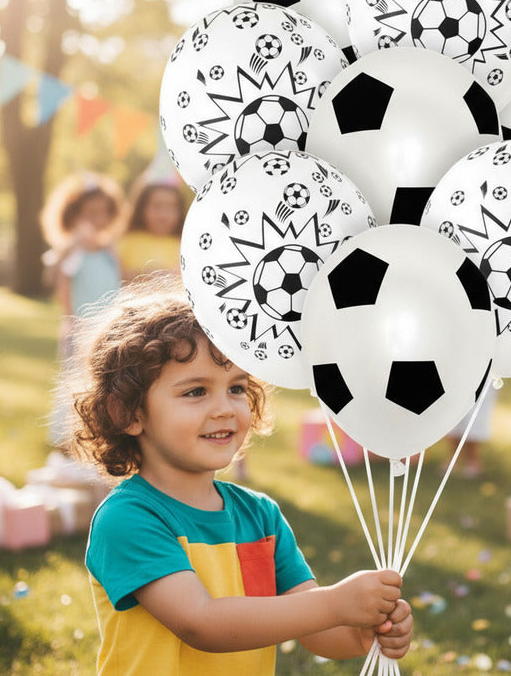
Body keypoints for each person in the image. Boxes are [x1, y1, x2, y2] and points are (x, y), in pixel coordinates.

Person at [66, 274, 412, 675]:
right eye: (196, 391)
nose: (226, 408)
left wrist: (364, 630)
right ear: (127, 414)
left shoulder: (260, 517)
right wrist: (334, 604)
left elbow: (316, 630)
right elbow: (201, 622)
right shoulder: (129, 518)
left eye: (236, 387)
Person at [41, 172, 125, 446]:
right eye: (89, 213)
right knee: (73, 382)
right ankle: (64, 437)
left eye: (102, 213)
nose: (96, 220)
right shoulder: (72, 251)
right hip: (79, 327)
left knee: (102, 382)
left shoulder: (109, 250)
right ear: (73, 216)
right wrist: (70, 319)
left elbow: (119, 282)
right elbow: (59, 282)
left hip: (108, 328)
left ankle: (95, 434)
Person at [118, 175, 187, 282]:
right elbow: (116, 274)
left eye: (171, 207)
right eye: (156, 206)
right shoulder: (125, 242)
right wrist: (144, 276)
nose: (163, 215)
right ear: (142, 209)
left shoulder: (186, 246)